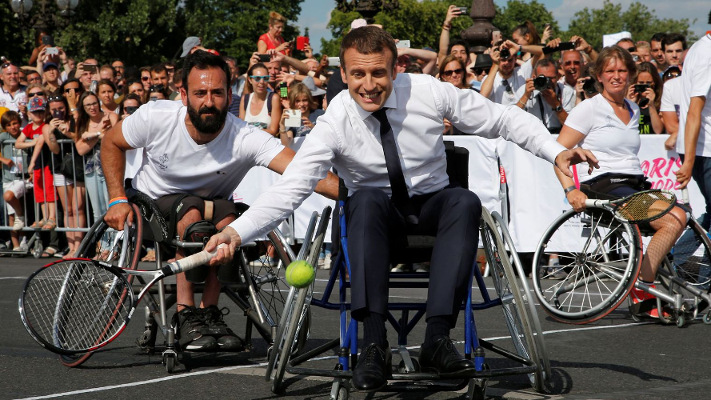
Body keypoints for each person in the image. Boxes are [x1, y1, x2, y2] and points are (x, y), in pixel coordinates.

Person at [204, 26, 597, 391]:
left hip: (431, 207)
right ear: (345, 73)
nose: (369, 85)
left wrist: (556, 152)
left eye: (379, 73)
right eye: (358, 74)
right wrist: (237, 232)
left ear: (396, 68)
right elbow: (293, 186)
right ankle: (373, 344)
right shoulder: (336, 117)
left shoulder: (430, 91)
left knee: (465, 199)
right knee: (367, 198)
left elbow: (503, 119)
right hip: (375, 218)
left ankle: (438, 339)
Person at [100, 50, 337, 353]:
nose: (209, 101)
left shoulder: (244, 137)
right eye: (200, 93)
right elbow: (111, 142)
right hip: (152, 204)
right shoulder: (155, 116)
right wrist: (116, 198)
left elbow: (308, 172)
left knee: (228, 218)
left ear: (230, 94)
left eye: (217, 92)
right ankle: (185, 313)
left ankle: (210, 312)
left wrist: (359, 193)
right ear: (183, 94)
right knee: (193, 213)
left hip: (212, 208)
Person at [554, 45, 686, 318]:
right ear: (599, 76)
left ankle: (645, 281)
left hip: (634, 184)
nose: (617, 76)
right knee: (671, 219)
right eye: (610, 71)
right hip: (604, 186)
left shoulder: (634, 109)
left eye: (622, 70)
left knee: (682, 213)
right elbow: (558, 155)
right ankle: (642, 291)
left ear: (631, 74)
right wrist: (570, 190)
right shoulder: (589, 109)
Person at [674, 29, 711, 228]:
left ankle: (684, 256)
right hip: (704, 150)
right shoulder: (707, 54)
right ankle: (680, 255)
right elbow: (694, 111)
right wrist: (688, 162)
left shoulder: (700, 46)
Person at [42, 95, 86, 258]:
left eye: (60, 108)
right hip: (60, 169)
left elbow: (79, 139)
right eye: (54, 109)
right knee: (68, 209)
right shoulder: (47, 127)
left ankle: (79, 246)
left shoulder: (74, 121)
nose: (58, 112)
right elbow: (54, 149)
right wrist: (53, 132)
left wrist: (66, 132)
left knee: (78, 208)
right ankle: (71, 246)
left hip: (78, 168)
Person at [515, 58, 572, 133]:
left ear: (558, 76)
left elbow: (571, 127)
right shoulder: (524, 90)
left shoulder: (566, 91)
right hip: (533, 135)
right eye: (543, 78)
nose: (547, 82)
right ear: (534, 77)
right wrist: (526, 96)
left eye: (551, 78)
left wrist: (556, 104)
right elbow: (513, 118)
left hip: (559, 135)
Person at [1, 110, 31, 250]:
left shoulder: (24, 135)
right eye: (9, 125)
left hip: (23, 178)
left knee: (15, 203)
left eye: (15, 123)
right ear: (5, 127)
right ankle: (16, 245)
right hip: (8, 178)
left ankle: (23, 238)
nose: (13, 127)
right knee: (11, 213)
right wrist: (3, 159)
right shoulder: (4, 136)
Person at [277, 80, 324, 147]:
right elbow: (286, 144)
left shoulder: (319, 114)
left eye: (304, 100)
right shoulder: (292, 117)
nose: (301, 104)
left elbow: (327, 137)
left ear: (309, 100)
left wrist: (313, 127)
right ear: (293, 102)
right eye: (297, 101)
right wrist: (282, 126)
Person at [239, 63, 281, 135]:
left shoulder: (273, 98)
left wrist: (249, 132)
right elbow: (240, 127)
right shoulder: (245, 99)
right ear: (250, 80)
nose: (261, 82)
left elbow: (273, 131)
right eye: (257, 78)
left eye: (265, 78)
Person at [626, 62, 663, 134]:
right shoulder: (627, 99)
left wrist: (652, 105)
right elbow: (624, 127)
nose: (645, 86)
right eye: (641, 83)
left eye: (648, 83)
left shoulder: (661, 100)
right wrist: (630, 104)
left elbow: (658, 130)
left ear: (654, 82)